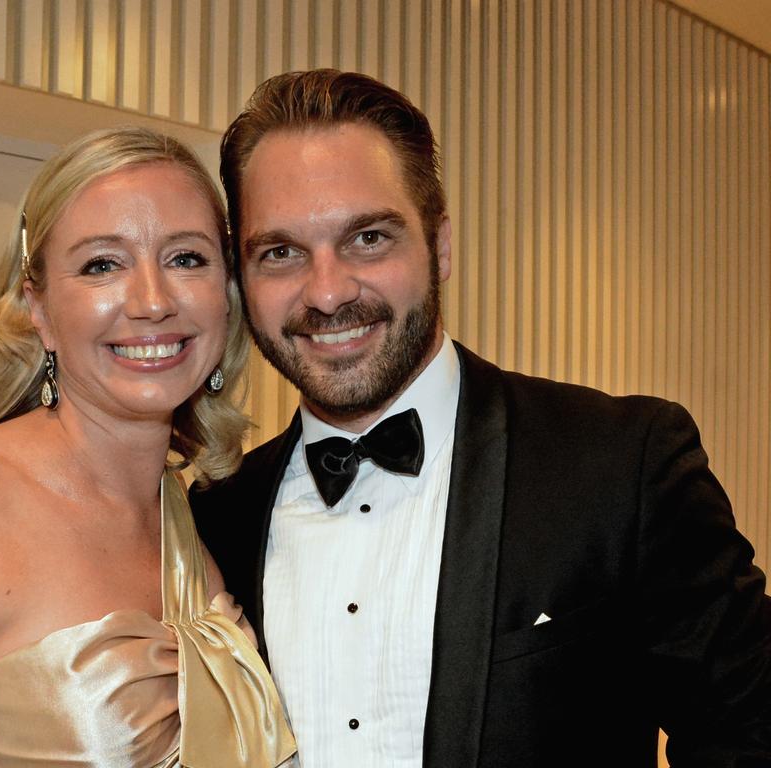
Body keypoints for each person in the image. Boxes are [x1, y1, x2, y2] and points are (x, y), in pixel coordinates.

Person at [190, 69, 771, 767]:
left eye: (368, 238)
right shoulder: (213, 520)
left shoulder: (621, 466)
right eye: (280, 252)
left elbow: (749, 734)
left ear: (440, 247)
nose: (327, 291)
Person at [0, 127, 296, 768]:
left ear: (228, 299)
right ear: (37, 307)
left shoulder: (198, 521)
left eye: (186, 259)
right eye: (102, 264)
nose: (152, 301)